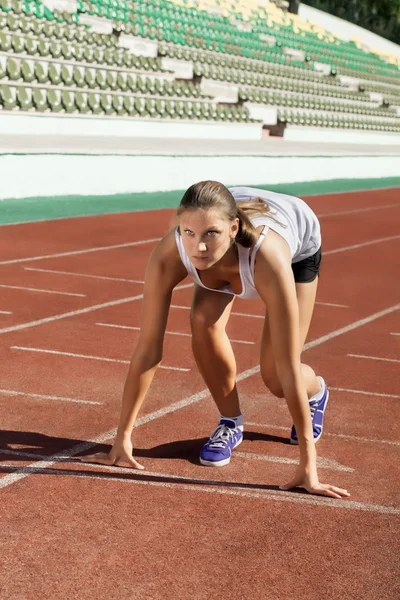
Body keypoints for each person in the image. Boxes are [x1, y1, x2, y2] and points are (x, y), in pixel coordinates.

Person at [82, 181, 350, 499]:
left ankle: (316, 392)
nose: (199, 247)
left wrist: (309, 466)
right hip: (228, 248)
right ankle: (231, 422)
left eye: (211, 233)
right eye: (189, 233)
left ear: (233, 228)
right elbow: (148, 348)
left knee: (276, 376)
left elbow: (289, 364)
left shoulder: (268, 257)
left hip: (296, 247)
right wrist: (122, 438)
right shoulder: (174, 252)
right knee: (201, 322)